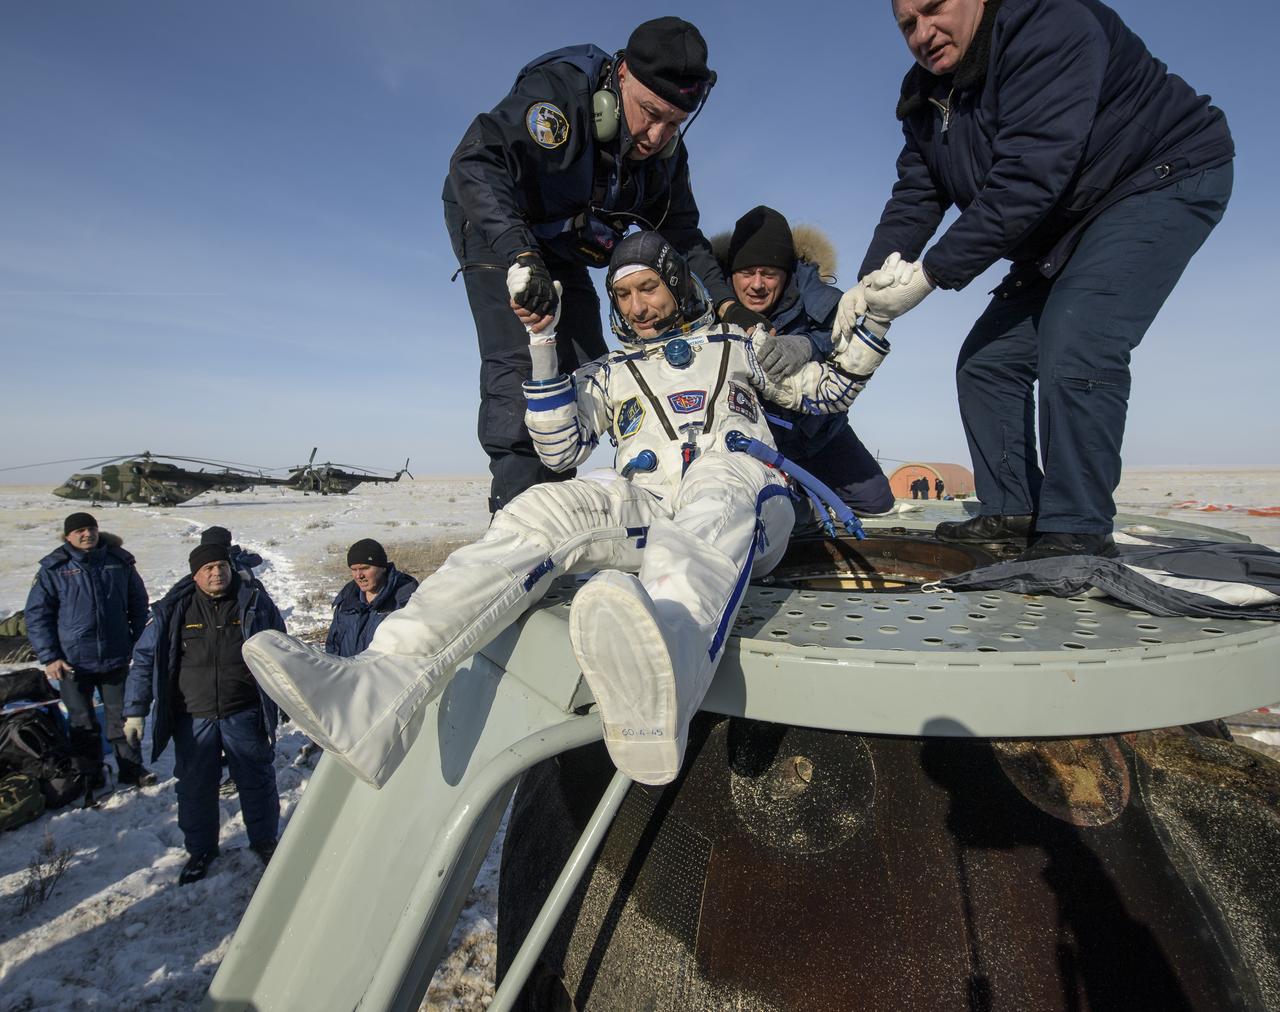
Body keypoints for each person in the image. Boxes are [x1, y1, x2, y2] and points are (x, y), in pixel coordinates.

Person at [240, 230, 892, 790]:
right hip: (651, 505)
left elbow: (827, 391)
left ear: (677, 284)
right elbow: (559, 447)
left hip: (745, 503)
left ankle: (670, 658)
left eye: (648, 290)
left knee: (720, 480)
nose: (636, 307)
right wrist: (546, 341)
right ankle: (381, 689)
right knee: (545, 508)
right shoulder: (611, 373)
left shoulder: (736, 345)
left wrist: (870, 324)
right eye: (624, 296)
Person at [837, 0, 1233, 560]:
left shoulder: (1048, 24)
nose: (924, 34)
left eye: (935, 9)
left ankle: (1076, 529)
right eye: (907, 25)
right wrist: (869, 284)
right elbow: (918, 193)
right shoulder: (927, 94)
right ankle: (1012, 510)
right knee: (987, 363)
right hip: (1062, 221)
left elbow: (1028, 176)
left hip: (1153, 178)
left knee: (1077, 338)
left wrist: (929, 273)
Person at [443, 17, 769, 515]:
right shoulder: (558, 98)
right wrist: (519, 252)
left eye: (674, 124)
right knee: (524, 367)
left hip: (562, 246)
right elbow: (475, 161)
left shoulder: (665, 158)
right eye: (650, 113)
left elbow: (684, 236)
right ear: (619, 80)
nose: (657, 135)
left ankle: (561, 510)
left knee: (589, 369)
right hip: (496, 225)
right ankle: (514, 523)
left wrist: (729, 305)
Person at [715, 206, 894, 520]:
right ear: (731, 275)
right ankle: (802, 505)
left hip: (819, 434)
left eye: (768, 274)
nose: (757, 284)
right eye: (747, 273)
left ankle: (807, 500)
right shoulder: (713, 310)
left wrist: (808, 344)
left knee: (877, 500)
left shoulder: (823, 300)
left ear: (786, 275)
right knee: (758, 513)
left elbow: (845, 340)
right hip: (756, 441)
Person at [123, 543, 287, 884]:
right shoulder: (175, 609)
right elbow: (143, 659)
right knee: (196, 787)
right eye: (208, 567)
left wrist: (289, 699)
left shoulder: (253, 602)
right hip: (193, 716)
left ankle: (265, 840)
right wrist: (135, 710)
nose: (217, 573)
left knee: (256, 780)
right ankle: (201, 850)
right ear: (195, 573)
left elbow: (282, 650)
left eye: (222, 566)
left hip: (243, 710)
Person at [24, 512, 153, 787]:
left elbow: (139, 604)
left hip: (117, 656)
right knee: (82, 722)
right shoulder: (54, 568)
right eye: (80, 530)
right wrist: (50, 657)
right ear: (68, 536)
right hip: (72, 663)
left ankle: (132, 769)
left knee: (123, 717)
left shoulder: (119, 562)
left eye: (91, 529)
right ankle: (90, 774)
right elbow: (37, 616)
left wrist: (138, 643)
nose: (87, 535)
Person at [326, 539, 419, 657]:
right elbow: (332, 647)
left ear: (382, 567)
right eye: (354, 569)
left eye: (365, 568)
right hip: (349, 674)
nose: (359, 575)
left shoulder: (405, 602)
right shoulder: (346, 602)